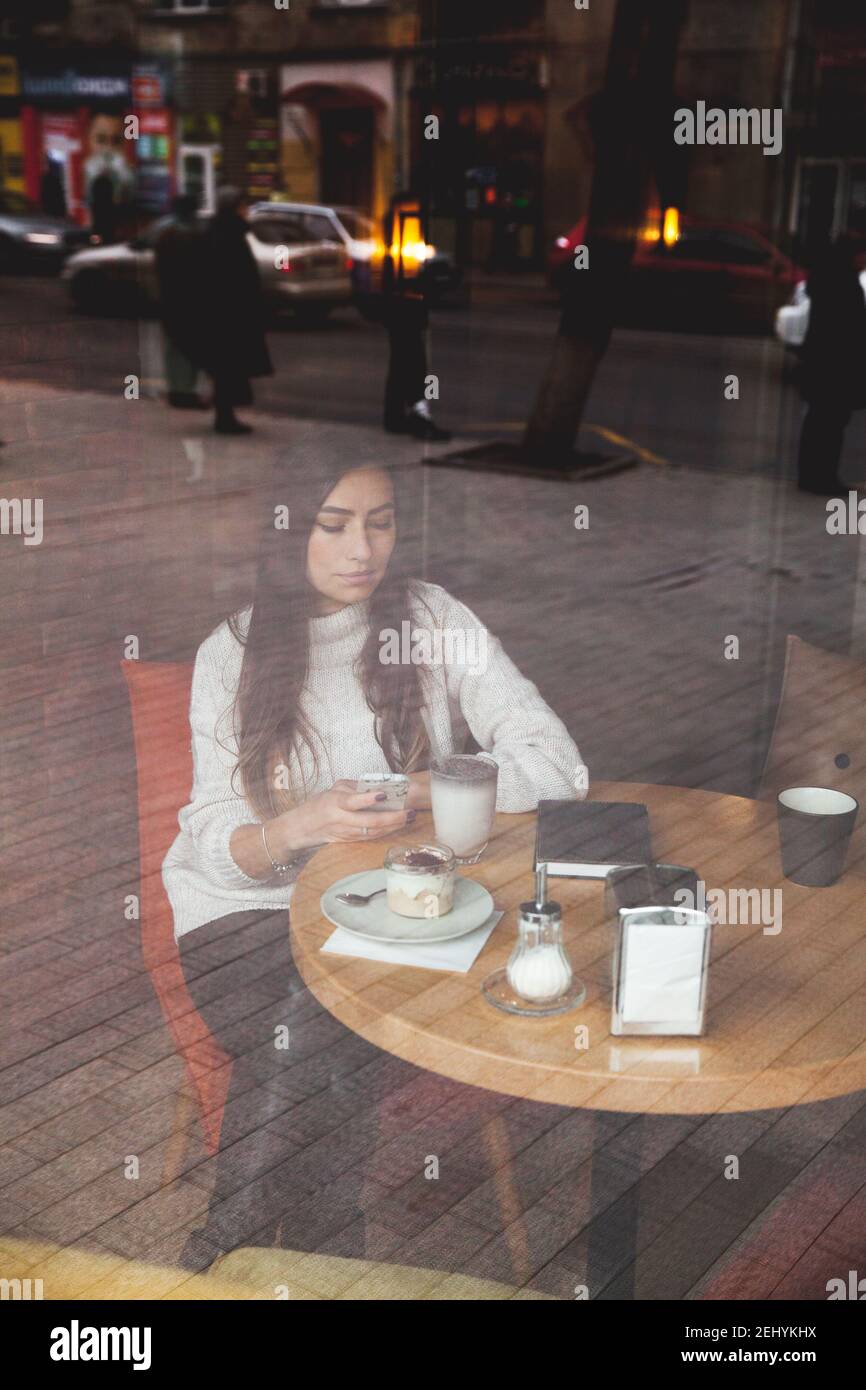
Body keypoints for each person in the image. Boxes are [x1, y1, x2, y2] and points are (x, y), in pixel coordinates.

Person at [162, 458, 585, 1268]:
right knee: (308, 1013)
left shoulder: (433, 618)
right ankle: (315, 1247)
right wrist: (302, 824)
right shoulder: (234, 650)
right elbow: (216, 842)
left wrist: (423, 788)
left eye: (381, 521)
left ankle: (221, 1255)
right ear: (289, 531)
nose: (363, 549)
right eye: (334, 524)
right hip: (242, 915)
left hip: (403, 911)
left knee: (316, 1016)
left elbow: (559, 768)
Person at [797, 224, 866, 496]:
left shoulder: (829, 278)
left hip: (823, 364)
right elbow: (848, 328)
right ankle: (822, 478)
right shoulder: (844, 283)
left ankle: (813, 476)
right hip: (836, 367)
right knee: (829, 423)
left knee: (820, 421)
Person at [199, 186, 272, 435]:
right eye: (243, 206)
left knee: (228, 366)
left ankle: (226, 415)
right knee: (228, 366)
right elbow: (229, 277)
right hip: (229, 314)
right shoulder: (227, 235)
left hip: (227, 312)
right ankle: (225, 417)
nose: (247, 210)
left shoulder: (225, 232)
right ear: (233, 208)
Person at [380, 193, 451, 441]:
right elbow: (405, 266)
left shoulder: (395, 226)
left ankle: (396, 415)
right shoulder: (402, 228)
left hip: (400, 304)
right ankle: (419, 414)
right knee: (413, 361)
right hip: (404, 304)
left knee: (401, 362)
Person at [153, 194, 208, 410]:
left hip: (170, 298)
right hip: (189, 299)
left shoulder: (166, 233)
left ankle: (177, 389)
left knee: (174, 346)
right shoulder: (193, 234)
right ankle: (186, 392)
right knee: (189, 346)